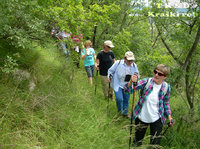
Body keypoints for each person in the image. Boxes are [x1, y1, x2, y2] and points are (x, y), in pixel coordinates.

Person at [124, 64, 174, 148]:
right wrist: (131, 82)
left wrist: (169, 117)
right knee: (137, 141)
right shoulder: (147, 82)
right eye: (155, 72)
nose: (156, 75)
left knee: (154, 144)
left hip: (157, 118)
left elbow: (166, 103)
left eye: (159, 74)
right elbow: (128, 91)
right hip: (141, 117)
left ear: (164, 77)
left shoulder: (166, 87)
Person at [107, 51, 139, 118]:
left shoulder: (134, 65)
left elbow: (137, 74)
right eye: (129, 60)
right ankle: (119, 112)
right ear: (125, 58)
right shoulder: (118, 63)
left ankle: (125, 113)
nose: (130, 62)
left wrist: (136, 77)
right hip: (118, 84)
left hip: (128, 85)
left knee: (126, 99)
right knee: (119, 99)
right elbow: (110, 71)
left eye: (132, 60)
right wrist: (109, 77)